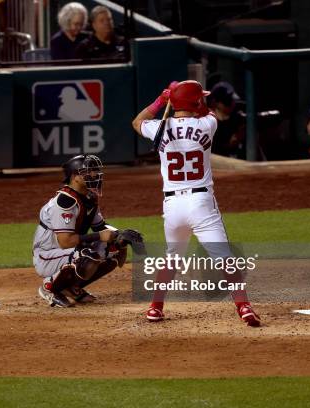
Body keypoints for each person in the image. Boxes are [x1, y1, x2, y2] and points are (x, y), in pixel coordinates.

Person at [131, 80, 261, 327]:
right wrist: (178, 98)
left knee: (172, 257)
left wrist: (162, 100)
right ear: (196, 102)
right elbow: (205, 110)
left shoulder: (159, 127)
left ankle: (155, 308)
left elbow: (137, 122)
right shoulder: (208, 124)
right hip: (201, 202)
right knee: (224, 257)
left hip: (172, 206)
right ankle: (243, 306)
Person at [32, 154, 133, 307]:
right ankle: (49, 288)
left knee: (114, 249)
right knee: (86, 256)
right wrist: (100, 236)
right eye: (89, 171)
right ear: (75, 177)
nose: (95, 175)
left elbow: (101, 228)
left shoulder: (89, 198)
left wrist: (120, 237)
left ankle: (72, 288)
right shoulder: (64, 201)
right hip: (47, 256)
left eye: (95, 171)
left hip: (67, 251)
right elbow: (65, 241)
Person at [207, 81, 246, 159]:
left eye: (232, 100)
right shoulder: (208, 123)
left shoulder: (237, 117)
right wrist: (229, 145)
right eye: (227, 101)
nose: (232, 104)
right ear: (215, 102)